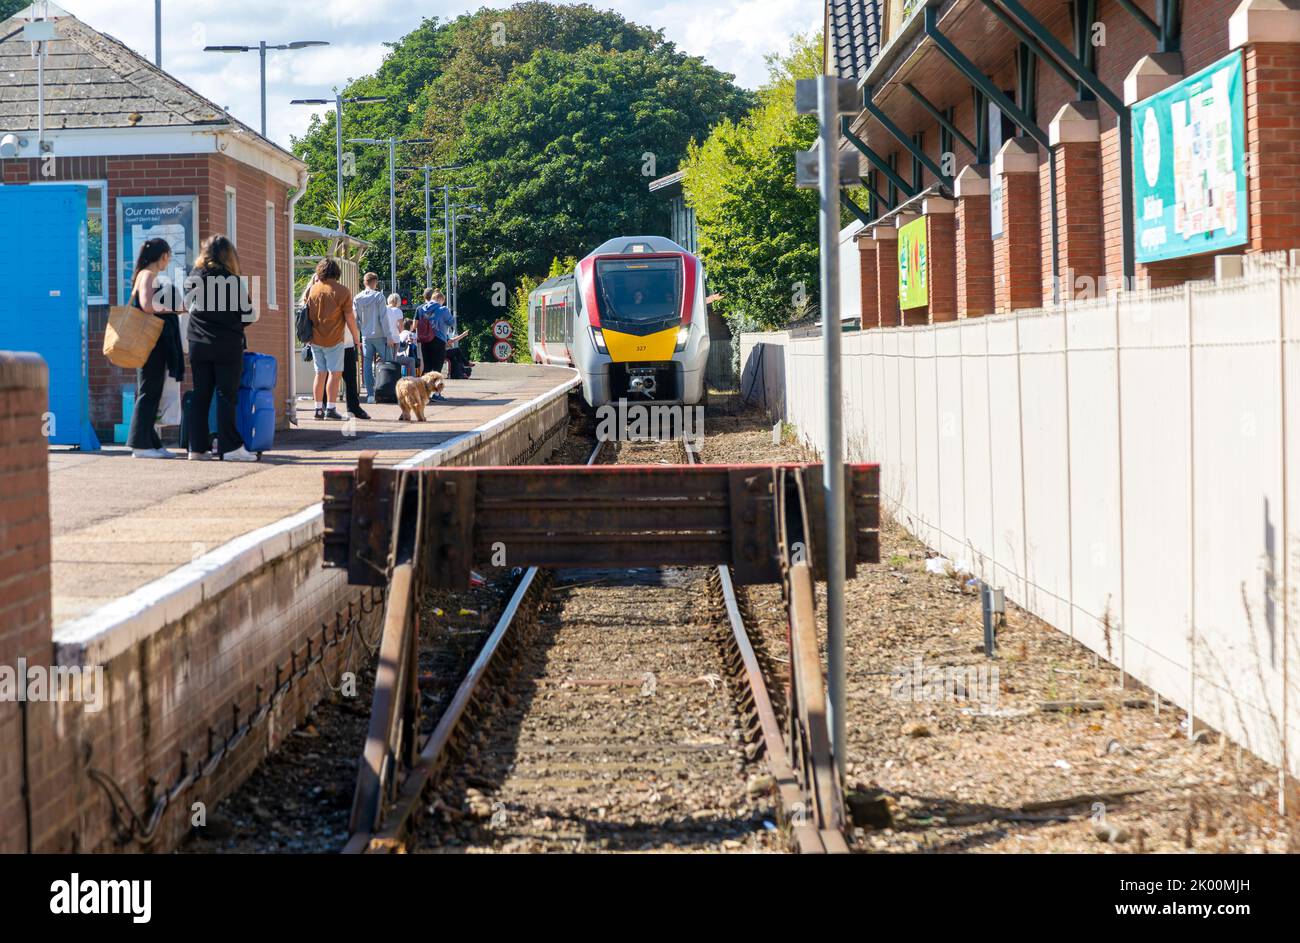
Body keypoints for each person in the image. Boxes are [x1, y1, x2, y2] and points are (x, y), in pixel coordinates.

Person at [186, 235, 258, 462]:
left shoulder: (194, 277)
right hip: (226, 345)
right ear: (229, 255)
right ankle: (230, 447)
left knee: (201, 396)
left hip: (198, 343)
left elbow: (187, 305)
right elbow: (250, 315)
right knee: (226, 396)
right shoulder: (232, 280)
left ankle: (196, 449)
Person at [126, 238, 185, 459]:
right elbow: (148, 306)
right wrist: (175, 309)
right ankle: (140, 445)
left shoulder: (144, 274)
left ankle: (150, 442)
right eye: (168, 257)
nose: (168, 262)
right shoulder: (148, 276)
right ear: (162, 256)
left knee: (151, 391)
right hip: (150, 343)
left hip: (150, 342)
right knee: (149, 392)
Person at [301, 273, 368, 419]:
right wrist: (357, 339)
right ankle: (329, 408)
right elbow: (350, 318)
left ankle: (320, 409)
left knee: (323, 374)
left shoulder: (310, 293)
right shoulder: (338, 292)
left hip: (319, 339)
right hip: (337, 340)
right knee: (334, 374)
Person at [353, 272, 389, 403]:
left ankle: (370, 395)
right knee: (387, 363)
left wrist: (361, 329)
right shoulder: (379, 296)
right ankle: (387, 391)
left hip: (366, 336)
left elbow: (355, 319)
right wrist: (389, 336)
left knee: (367, 365)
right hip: (380, 335)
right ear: (375, 282)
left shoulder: (357, 298)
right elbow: (383, 318)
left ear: (364, 282)